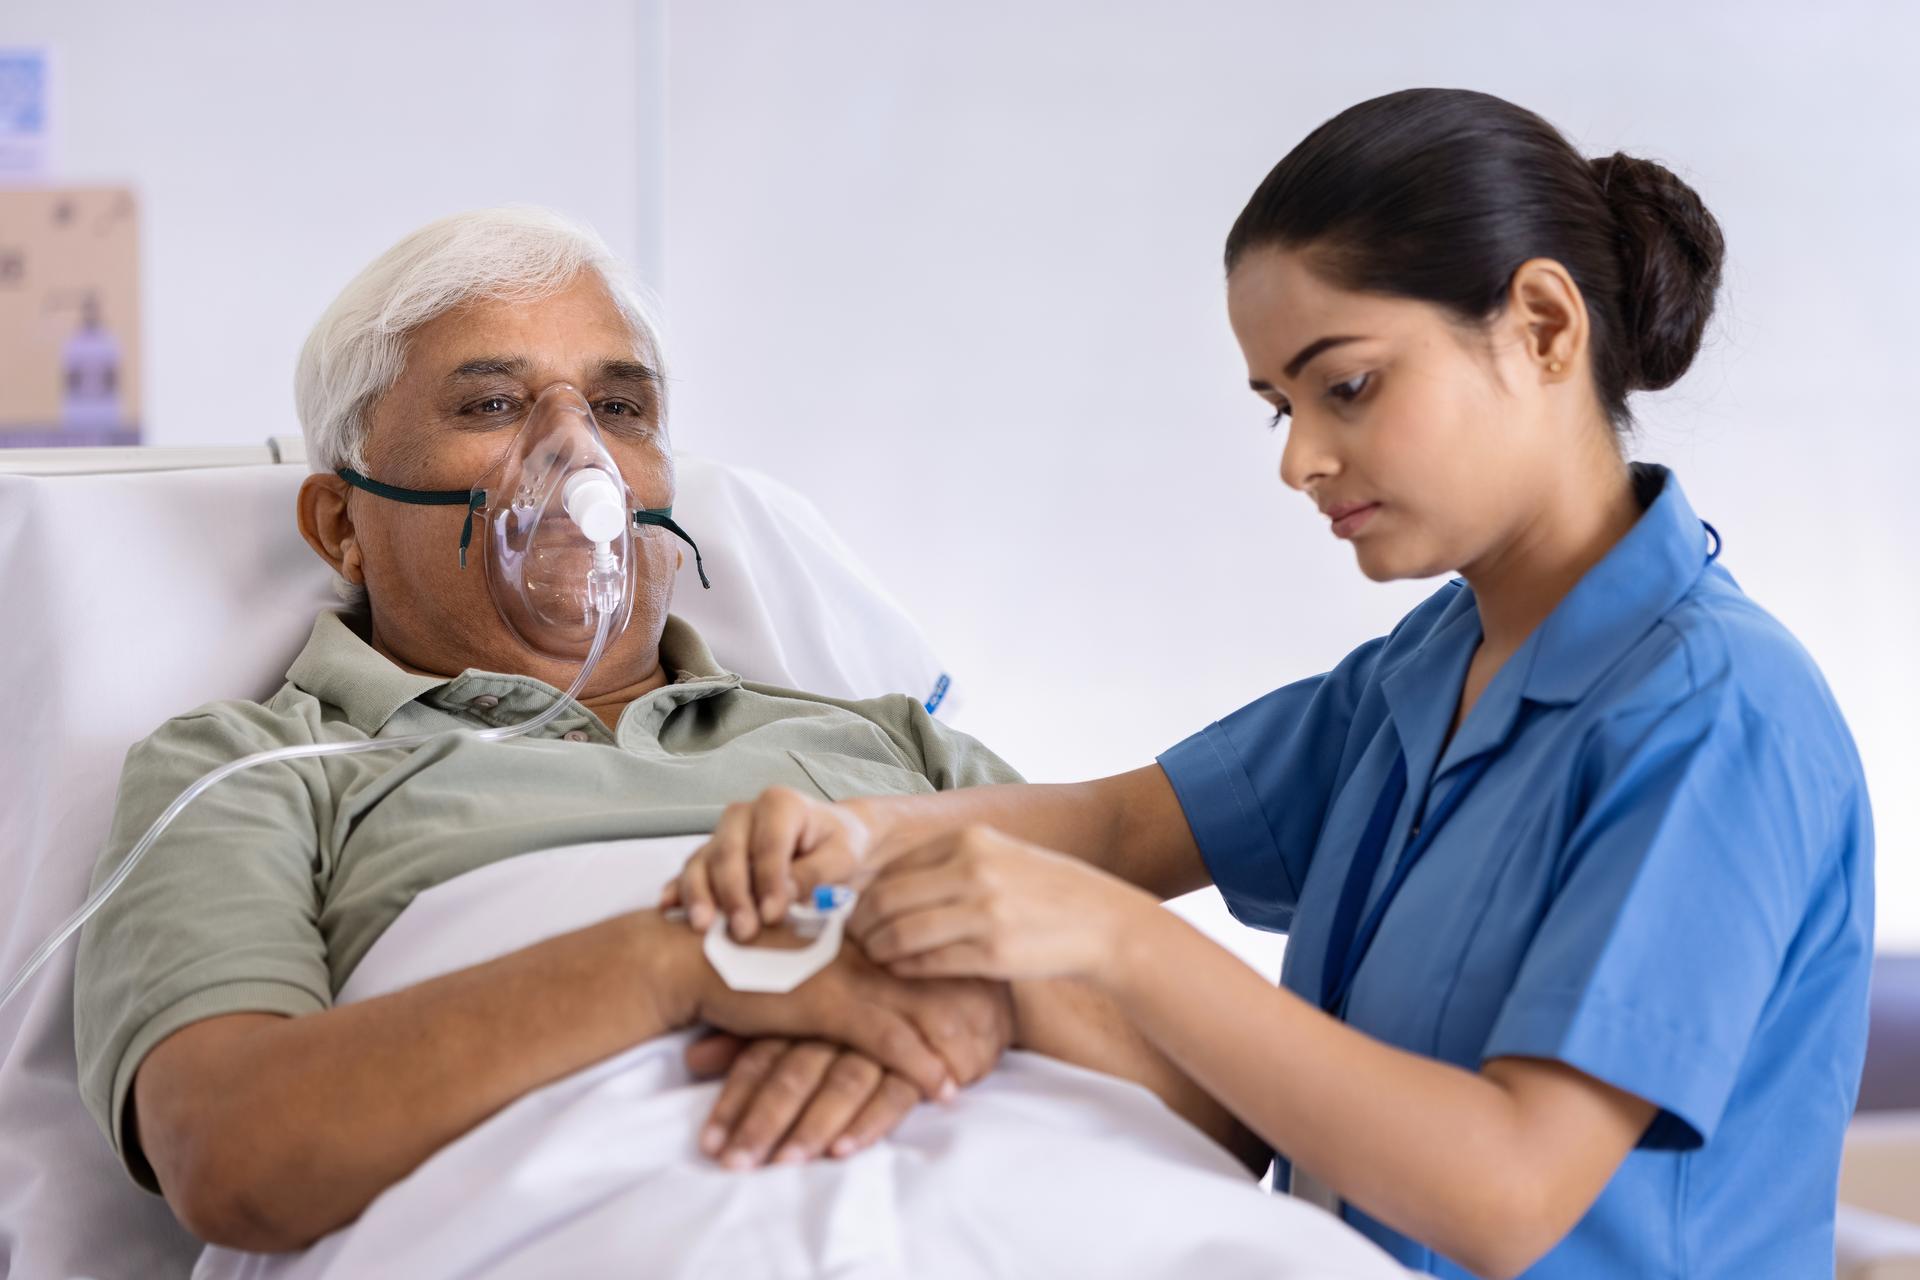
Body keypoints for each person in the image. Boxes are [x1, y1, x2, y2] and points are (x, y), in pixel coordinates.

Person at [669, 88, 1876, 1279]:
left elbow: (1511, 1193)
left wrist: (1114, 941)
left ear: (1546, 328)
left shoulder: (1720, 715)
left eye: (1344, 385)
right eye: (1278, 409)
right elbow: (1115, 822)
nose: (1301, 458)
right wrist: (838, 837)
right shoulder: (1424, 671)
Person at [72, 208, 1261, 1256]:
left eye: (620, 406)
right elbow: (233, 1149)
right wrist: (698, 963)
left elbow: (1231, 1106)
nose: (572, 451)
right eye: (492, 402)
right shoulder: (250, 769)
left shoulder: (892, 748)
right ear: (341, 522)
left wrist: (953, 999)